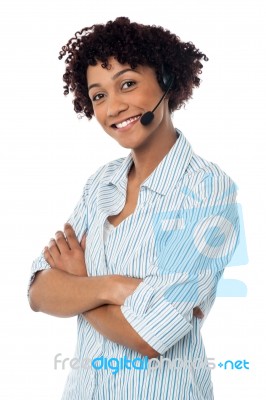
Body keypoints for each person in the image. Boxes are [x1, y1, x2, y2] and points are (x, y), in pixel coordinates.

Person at [28, 17, 239, 399]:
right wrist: (114, 287)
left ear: (166, 80)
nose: (114, 108)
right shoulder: (101, 183)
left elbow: (149, 335)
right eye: (98, 96)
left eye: (127, 84)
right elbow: (39, 291)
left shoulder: (206, 190)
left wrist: (79, 284)